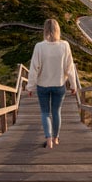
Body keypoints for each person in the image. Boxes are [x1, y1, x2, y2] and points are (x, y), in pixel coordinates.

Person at [26, 18, 77, 149]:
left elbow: (34, 68)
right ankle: (56, 138)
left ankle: (48, 138)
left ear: (45, 31)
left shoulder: (39, 47)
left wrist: (30, 86)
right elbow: (69, 67)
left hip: (42, 85)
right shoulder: (65, 45)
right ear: (58, 30)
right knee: (56, 112)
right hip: (59, 85)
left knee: (45, 113)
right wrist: (73, 85)